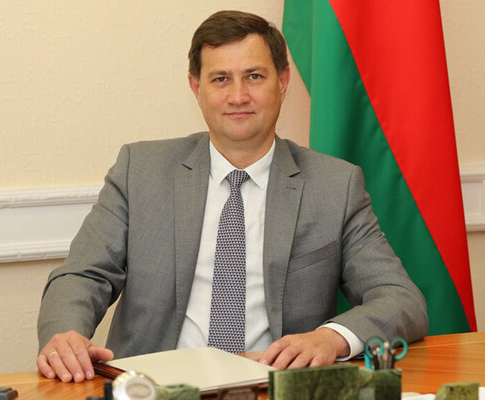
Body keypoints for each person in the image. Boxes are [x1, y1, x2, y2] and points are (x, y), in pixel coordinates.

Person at [37, 10, 428, 383]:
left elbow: (400, 299)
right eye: (221, 79)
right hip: (154, 387)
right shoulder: (139, 170)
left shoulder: (335, 186)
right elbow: (82, 275)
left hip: (275, 386)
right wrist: (65, 335)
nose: (238, 96)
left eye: (254, 76)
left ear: (283, 82)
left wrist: (331, 338)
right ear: (197, 88)